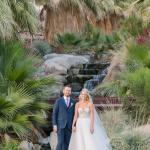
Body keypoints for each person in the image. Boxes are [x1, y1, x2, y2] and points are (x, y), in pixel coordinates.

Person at [52, 85, 75, 150]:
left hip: (69, 126)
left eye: (69, 90)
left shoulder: (73, 101)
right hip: (60, 125)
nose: (68, 92)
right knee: (60, 142)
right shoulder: (58, 101)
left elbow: (74, 115)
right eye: (66, 90)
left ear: (71, 92)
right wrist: (54, 125)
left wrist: (74, 125)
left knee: (67, 143)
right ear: (63, 91)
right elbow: (54, 114)